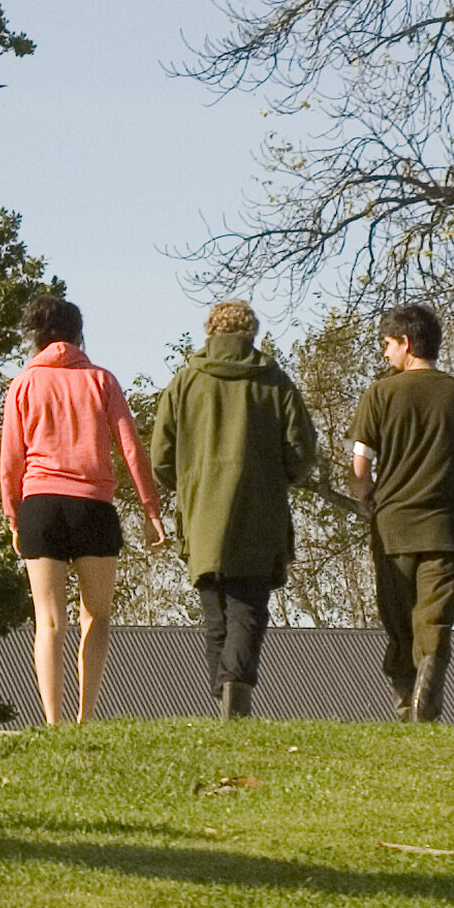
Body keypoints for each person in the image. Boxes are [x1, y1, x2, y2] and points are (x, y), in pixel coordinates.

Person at [145, 297, 321, 719]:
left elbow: (161, 457)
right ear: (252, 333)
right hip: (259, 512)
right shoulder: (274, 381)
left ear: (211, 331)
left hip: (203, 514)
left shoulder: (185, 382)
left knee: (216, 613)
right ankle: (235, 690)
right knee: (248, 608)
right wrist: (281, 478)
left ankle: (223, 696)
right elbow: (300, 450)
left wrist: (189, 488)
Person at [0, 294, 165, 725]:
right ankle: (84, 716)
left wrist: (14, 516)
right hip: (93, 507)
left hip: (40, 506)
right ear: (78, 333)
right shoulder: (102, 381)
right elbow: (132, 449)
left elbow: (10, 462)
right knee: (98, 614)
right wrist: (151, 511)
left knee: (49, 621)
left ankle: (53, 722)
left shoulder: (22, 384)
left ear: (35, 335)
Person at [346, 301, 454, 724]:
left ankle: (402, 698)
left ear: (406, 344)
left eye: (387, 344)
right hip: (446, 527)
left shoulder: (378, 394)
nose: (385, 353)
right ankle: (428, 683)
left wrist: (365, 499)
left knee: (398, 618)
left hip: (393, 527)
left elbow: (360, 467)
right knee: (434, 616)